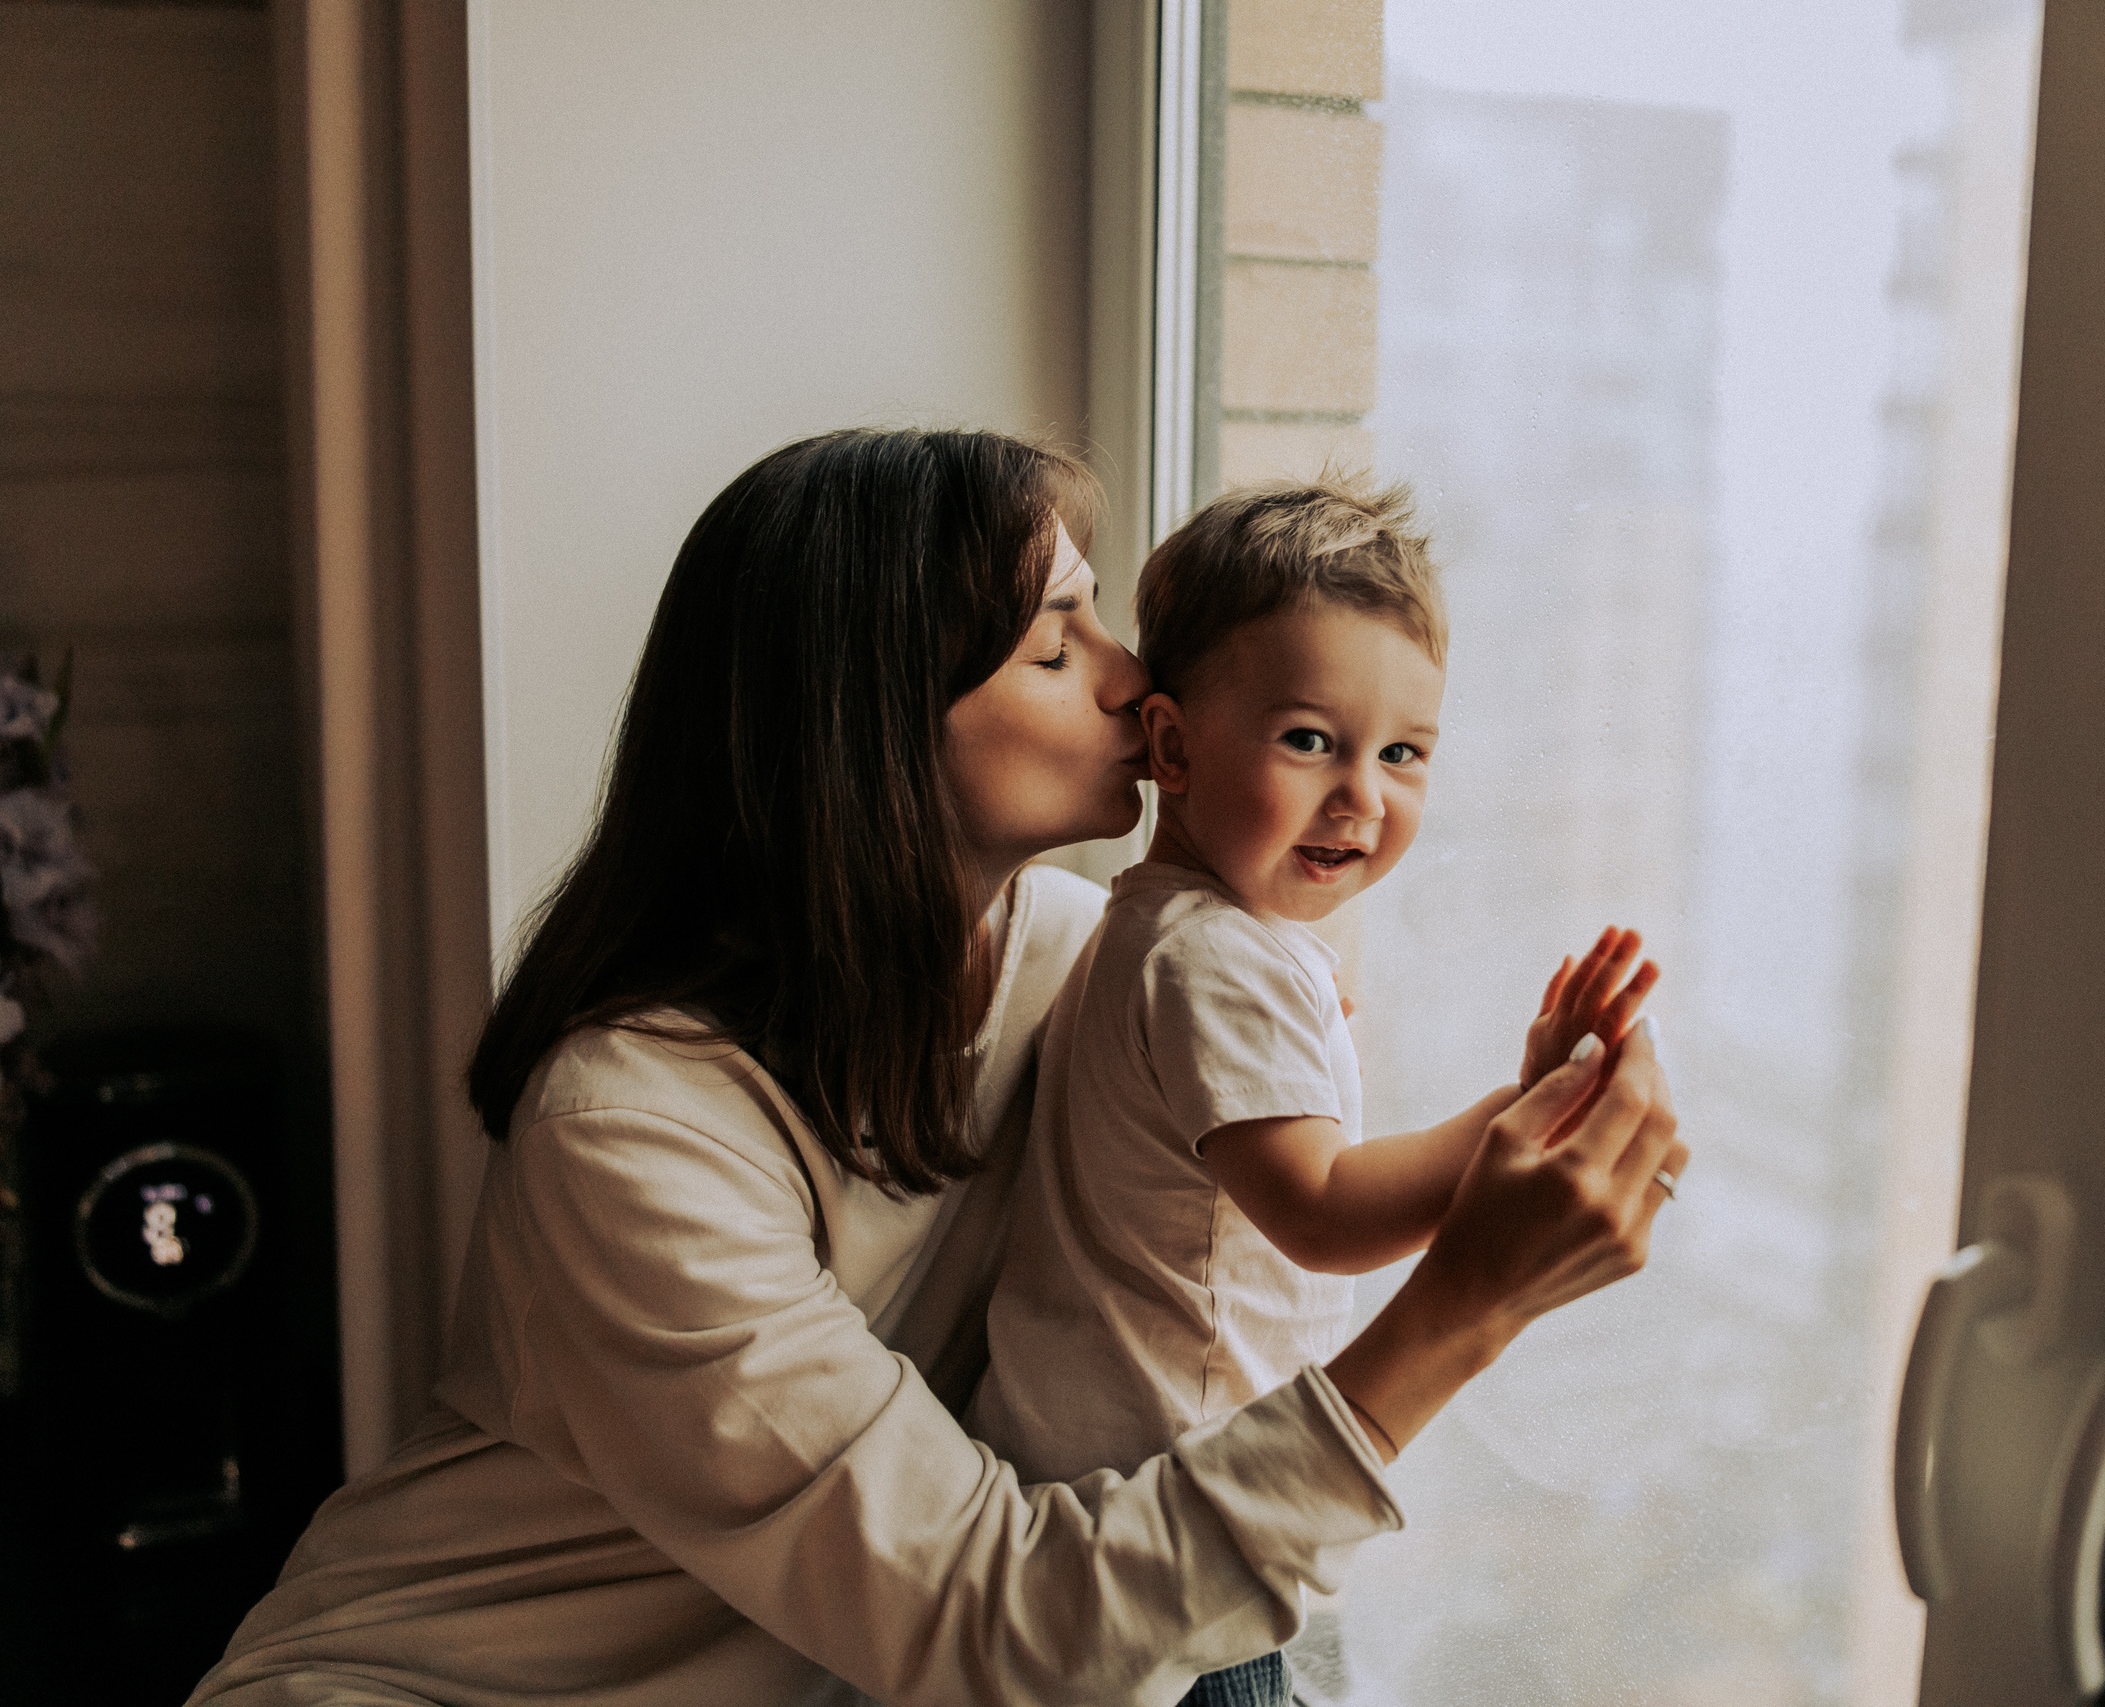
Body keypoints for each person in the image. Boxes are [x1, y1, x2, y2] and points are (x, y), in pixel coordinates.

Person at [188, 428, 1689, 1707]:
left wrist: (1528, 1101)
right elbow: (996, 1618)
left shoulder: (1092, 958)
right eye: (1057, 642)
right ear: (872, 733)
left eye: (1101, 619)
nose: (1131, 676)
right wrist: (1464, 1305)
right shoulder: (635, 1133)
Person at [968, 479, 1670, 1707]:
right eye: (1310, 740)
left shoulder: (1157, 930)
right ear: (1175, 749)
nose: (1362, 795)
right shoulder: (1217, 959)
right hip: (1180, 1536)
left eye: (1403, 754)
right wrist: (1519, 1115)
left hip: (1101, 1488)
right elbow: (1326, 1214)